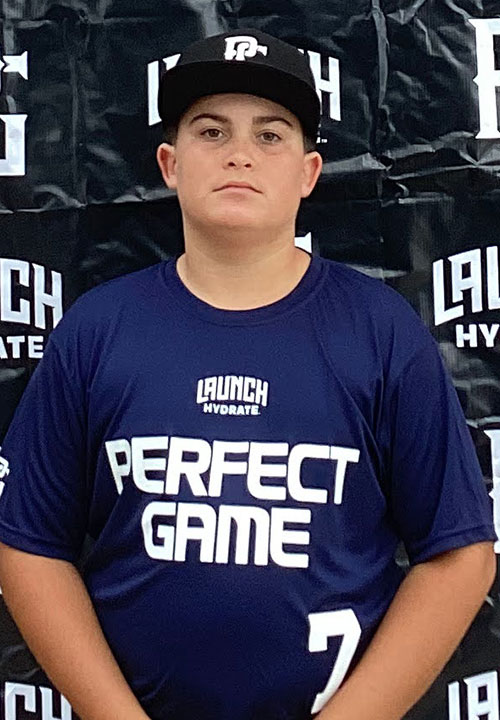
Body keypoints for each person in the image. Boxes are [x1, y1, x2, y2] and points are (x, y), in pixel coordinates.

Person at [0, 27, 496, 720]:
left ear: (309, 173)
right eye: (211, 132)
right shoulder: (99, 330)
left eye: (271, 135)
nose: (239, 154)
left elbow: (460, 554)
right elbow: (29, 546)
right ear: (170, 163)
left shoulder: (380, 332)